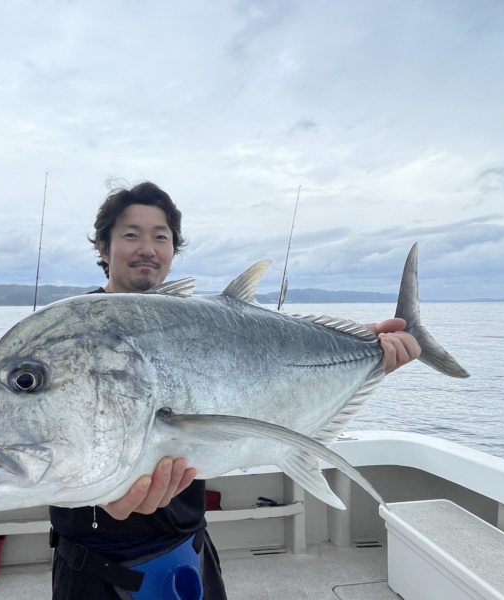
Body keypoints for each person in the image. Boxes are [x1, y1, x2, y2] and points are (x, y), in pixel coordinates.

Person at [49, 181, 420, 600]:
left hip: (188, 547)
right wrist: (96, 501)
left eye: (161, 237)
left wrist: (366, 348)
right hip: (90, 564)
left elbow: (272, 369)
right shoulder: (73, 335)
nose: (148, 249)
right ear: (103, 246)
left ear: (173, 249)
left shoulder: (201, 322)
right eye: (132, 234)